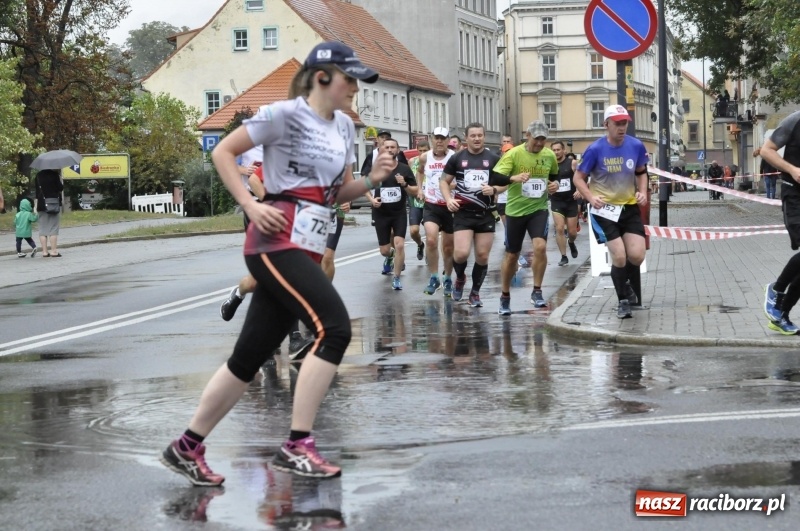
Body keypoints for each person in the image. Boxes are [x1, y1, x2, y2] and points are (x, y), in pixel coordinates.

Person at [160, 41, 393, 486]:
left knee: (248, 357)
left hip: (308, 245)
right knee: (335, 329)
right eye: (349, 79)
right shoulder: (283, 115)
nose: (356, 88)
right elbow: (223, 152)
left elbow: (335, 193)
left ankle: (186, 446)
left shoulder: (345, 127)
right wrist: (249, 204)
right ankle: (297, 446)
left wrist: (372, 180)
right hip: (274, 242)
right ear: (321, 77)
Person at [573, 105, 649, 319]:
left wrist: (642, 192)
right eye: (617, 123)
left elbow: (641, 172)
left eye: (624, 123)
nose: (622, 127)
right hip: (604, 210)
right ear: (606, 124)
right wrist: (591, 198)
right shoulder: (595, 149)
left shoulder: (636, 145)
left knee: (637, 255)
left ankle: (624, 282)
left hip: (628, 207)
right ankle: (623, 300)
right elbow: (578, 178)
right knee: (619, 256)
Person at [493, 120, 560, 315]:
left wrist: (554, 185)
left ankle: (537, 291)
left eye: (543, 139)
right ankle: (505, 295)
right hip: (515, 211)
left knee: (540, 247)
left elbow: (554, 176)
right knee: (512, 255)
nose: (539, 143)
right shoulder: (514, 154)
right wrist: (513, 178)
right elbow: (495, 177)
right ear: (528, 136)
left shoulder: (549, 155)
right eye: (536, 138)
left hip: (538, 209)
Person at [441, 122, 501, 307]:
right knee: (460, 254)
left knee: (482, 256)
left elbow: (505, 182)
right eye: (473, 136)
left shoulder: (493, 158)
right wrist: (448, 199)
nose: (476, 139)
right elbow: (443, 181)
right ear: (466, 138)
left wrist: (494, 189)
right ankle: (460, 277)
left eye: (480, 135)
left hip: (485, 213)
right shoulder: (457, 158)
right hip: (463, 213)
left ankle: (475, 293)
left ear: (484, 137)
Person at [762, 110, 800, 334]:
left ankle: (781, 314)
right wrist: (793, 169)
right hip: (794, 195)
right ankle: (776, 290)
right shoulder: (795, 121)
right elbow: (767, 150)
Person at [364, 138, 417, 289]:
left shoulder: (404, 169)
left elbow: (415, 190)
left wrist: (404, 184)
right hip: (381, 213)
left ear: (397, 150)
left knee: (399, 245)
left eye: (392, 147)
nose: (389, 150)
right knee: (384, 250)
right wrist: (371, 199)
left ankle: (397, 277)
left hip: (399, 213)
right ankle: (390, 256)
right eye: (386, 147)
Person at [417, 126, 456, 296]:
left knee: (448, 247)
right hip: (431, 204)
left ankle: (447, 277)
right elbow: (419, 172)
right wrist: (420, 189)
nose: (439, 141)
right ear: (432, 139)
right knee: (432, 240)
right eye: (436, 138)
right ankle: (434, 277)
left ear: (448, 140)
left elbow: (461, 178)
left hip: (450, 206)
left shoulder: (454, 157)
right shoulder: (425, 157)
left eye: (443, 138)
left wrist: (451, 186)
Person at [549, 140, 580, 267]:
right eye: (554, 150)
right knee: (560, 228)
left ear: (563, 150)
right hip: (557, 201)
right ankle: (563, 256)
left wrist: (579, 190)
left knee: (572, 232)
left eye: (558, 149)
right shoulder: (549, 165)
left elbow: (581, 177)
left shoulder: (572, 163)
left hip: (571, 201)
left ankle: (571, 242)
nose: (556, 152)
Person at [407, 139, 430, 261]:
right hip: (416, 201)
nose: (422, 153)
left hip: (430, 202)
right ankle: (420, 244)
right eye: (420, 150)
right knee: (414, 231)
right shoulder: (412, 161)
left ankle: (430, 255)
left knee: (430, 232)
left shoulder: (433, 161)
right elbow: (409, 179)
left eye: (425, 150)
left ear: (429, 150)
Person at [34, 169, 63, 257]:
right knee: (53, 228)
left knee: (42, 229)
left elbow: (37, 191)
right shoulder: (54, 175)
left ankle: (44, 252)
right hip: (53, 203)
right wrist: (59, 178)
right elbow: (60, 188)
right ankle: (54, 251)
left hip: (41, 204)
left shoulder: (38, 175)